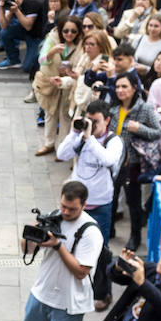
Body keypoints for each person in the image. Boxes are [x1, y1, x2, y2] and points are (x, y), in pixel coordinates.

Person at [2, 181, 103, 321]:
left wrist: (58, 246)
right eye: (64, 207)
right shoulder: (54, 218)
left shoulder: (91, 233)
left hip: (69, 303)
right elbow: (26, 250)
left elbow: (80, 271)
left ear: (84, 205)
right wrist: (32, 233)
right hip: (41, 292)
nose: (66, 212)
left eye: (72, 209)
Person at [57, 101, 124, 245]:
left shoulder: (113, 140)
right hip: (76, 203)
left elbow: (108, 160)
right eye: (89, 120)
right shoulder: (81, 137)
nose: (92, 125)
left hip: (100, 204)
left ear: (107, 120)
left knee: (99, 246)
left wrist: (89, 139)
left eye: (96, 121)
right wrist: (73, 133)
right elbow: (61, 155)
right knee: (71, 244)